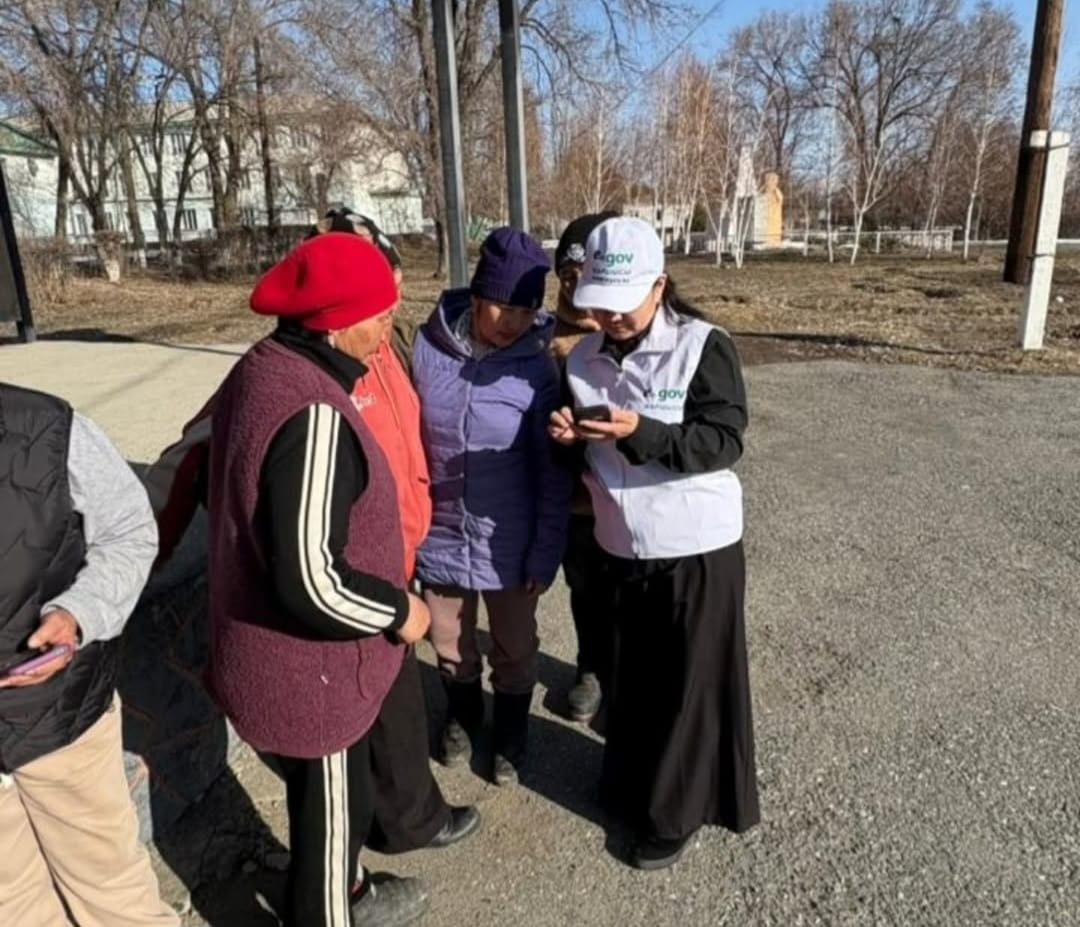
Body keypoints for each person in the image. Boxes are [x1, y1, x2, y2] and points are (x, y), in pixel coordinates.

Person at [145, 210, 479, 856]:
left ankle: (393, 820)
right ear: (336, 312)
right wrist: (137, 557)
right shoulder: (301, 388)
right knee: (360, 742)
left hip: (393, 558)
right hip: (351, 593)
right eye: (380, 301)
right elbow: (193, 459)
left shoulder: (384, 349)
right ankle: (376, 847)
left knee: (390, 715)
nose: (393, 311)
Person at [206, 232, 431, 927]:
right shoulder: (312, 414)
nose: (389, 329)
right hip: (310, 676)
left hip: (276, 661)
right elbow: (311, 580)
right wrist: (401, 611)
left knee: (330, 805)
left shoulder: (263, 366)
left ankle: (350, 891)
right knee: (335, 821)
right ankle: (329, 907)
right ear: (334, 323)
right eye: (379, 315)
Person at [548, 217, 761, 870]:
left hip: (696, 546)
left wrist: (642, 433)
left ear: (659, 285)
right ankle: (629, 785)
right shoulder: (580, 358)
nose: (610, 317)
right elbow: (584, 452)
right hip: (619, 545)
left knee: (687, 689)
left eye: (624, 302)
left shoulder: (702, 345)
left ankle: (676, 812)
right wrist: (567, 437)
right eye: (599, 303)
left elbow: (722, 440)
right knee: (631, 681)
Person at [0, 384, 180, 927]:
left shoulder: (48, 428)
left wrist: (78, 613)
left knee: (115, 896)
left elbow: (129, 532)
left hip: (59, 716)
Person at [413, 226, 570, 786]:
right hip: (439, 535)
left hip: (510, 541)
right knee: (448, 642)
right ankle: (462, 715)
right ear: (478, 296)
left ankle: (510, 730)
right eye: (505, 307)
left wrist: (544, 553)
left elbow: (553, 472)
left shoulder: (538, 367)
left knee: (516, 646)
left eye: (527, 311)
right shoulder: (424, 350)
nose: (515, 323)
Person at [550, 211, 619, 724]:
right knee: (587, 589)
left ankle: (629, 674)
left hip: (629, 493)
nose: (576, 288)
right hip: (578, 500)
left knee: (632, 593)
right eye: (567, 277)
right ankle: (591, 668)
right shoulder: (547, 339)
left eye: (586, 274)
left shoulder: (628, 327)